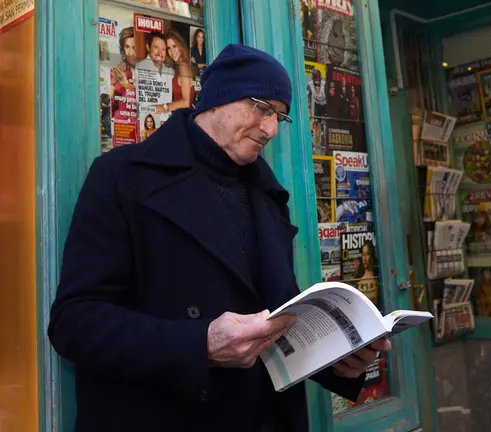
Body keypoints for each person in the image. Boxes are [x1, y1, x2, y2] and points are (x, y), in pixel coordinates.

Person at [47, 43, 389, 432]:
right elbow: (75, 323)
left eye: (280, 117)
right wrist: (200, 345)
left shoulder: (268, 193)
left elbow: (274, 326)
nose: (271, 129)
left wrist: (339, 363)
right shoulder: (122, 177)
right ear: (217, 98)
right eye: (262, 108)